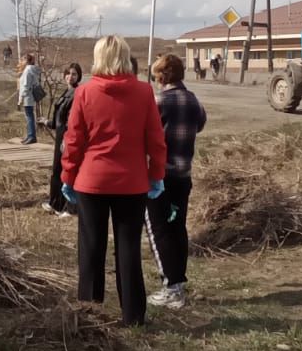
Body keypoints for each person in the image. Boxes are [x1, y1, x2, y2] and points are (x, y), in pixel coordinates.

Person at [60, 35, 167, 327]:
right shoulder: (144, 92)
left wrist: (67, 175)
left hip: (91, 181)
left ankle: (89, 309)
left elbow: (73, 141)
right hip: (132, 183)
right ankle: (133, 315)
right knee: (128, 247)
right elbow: (156, 140)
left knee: (91, 246)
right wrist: (157, 175)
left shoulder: (84, 92)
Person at [146, 54, 207, 310]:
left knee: (159, 230)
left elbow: (146, 133)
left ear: (161, 76)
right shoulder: (193, 100)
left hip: (161, 176)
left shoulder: (159, 101)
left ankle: (171, 287)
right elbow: (200, 124)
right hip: (184, 175)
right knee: (178, 227)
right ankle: (179, 282)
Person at [43, 62, 83, 218]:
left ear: (79, 76)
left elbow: (73, 119)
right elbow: (59, 116)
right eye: (68, 73)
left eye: (74, 74)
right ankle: (56, 203)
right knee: (57, 170)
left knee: (67, 170)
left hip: (68, 136)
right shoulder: (66, 91)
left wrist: (68, 137)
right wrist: (48, 123)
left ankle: (70, 207)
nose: (70, 76)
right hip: (60, 135)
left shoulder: (78, 93)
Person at [17, 53, 41, 144]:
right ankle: (30, 135)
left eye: (23, 60)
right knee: (29, 115)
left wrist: (21, 98)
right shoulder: (32, 69)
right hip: (29, 96)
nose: (21, 62)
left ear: (27, 61)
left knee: (29, 116)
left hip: (27, 96)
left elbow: (26, 85)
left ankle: (31, 136)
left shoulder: (27, 70)